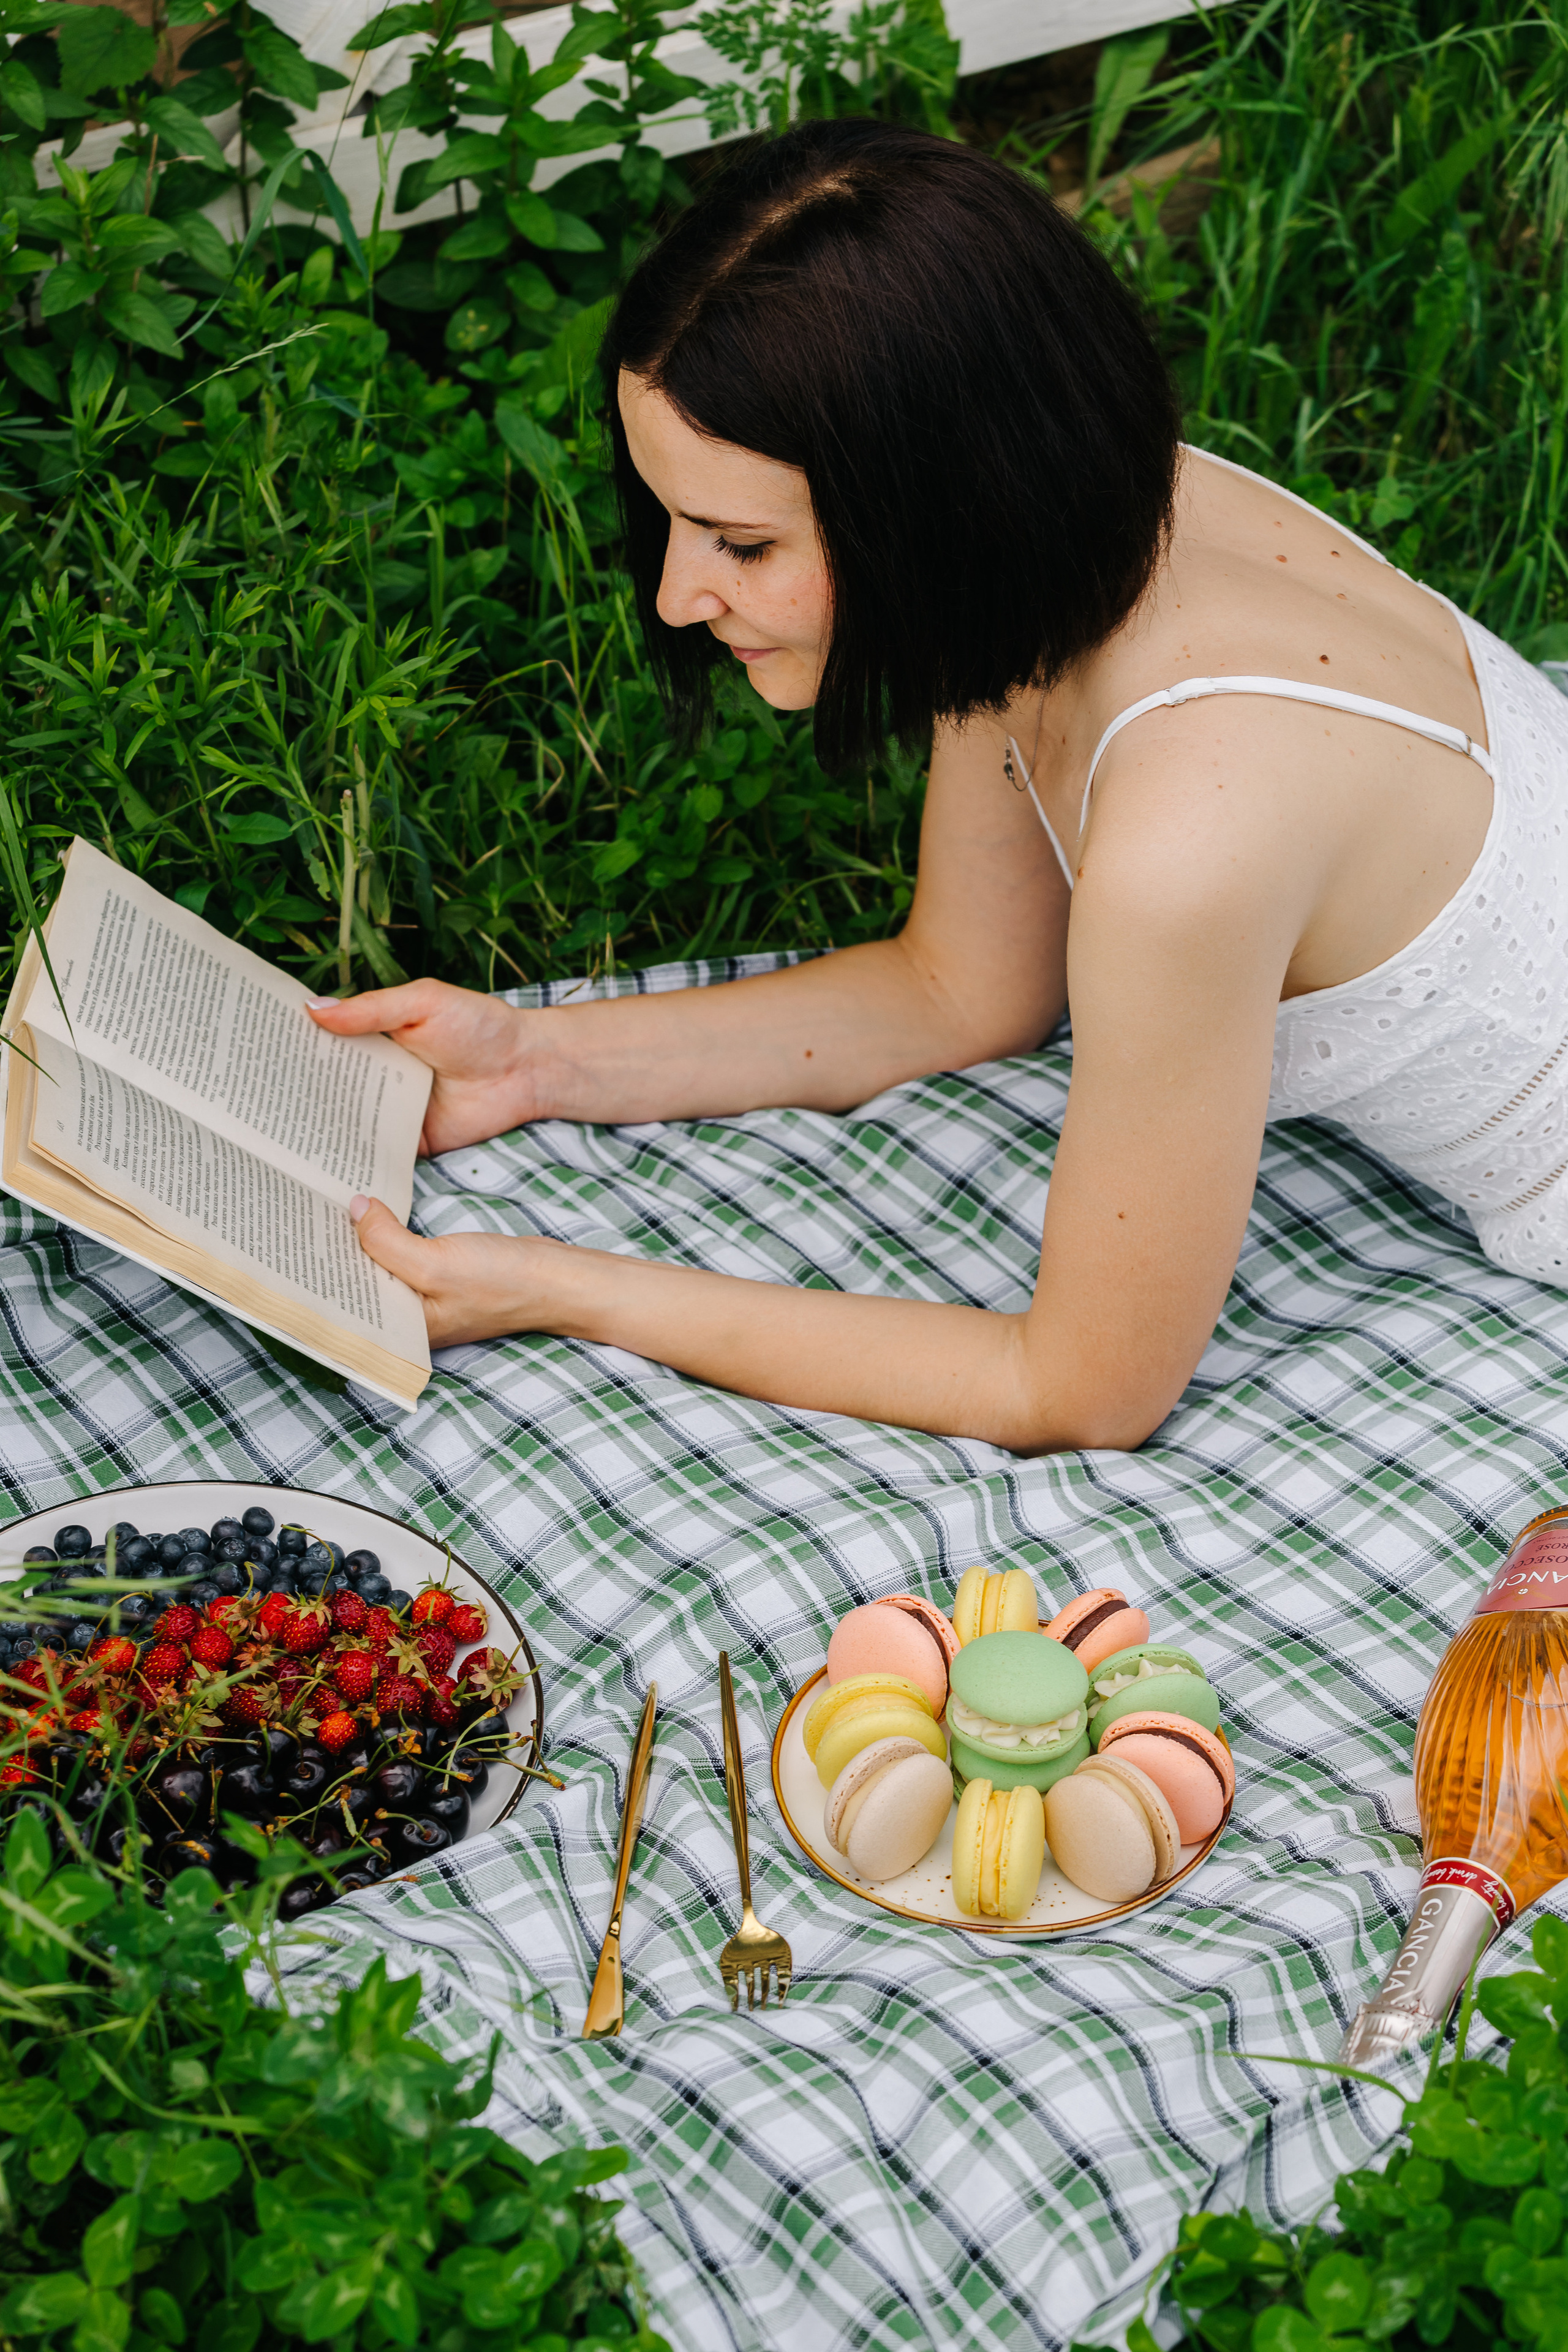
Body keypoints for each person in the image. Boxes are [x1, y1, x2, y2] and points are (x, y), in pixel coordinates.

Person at [309, 120, 1568, 1455]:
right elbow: (963, 990)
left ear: (937, 504)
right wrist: (533, 1059)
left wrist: (554, 1282)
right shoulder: (1059, 543)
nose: (680, 596)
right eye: (672, 520)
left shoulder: (1189, 830)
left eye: (741, 542)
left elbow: (1077, 1390)